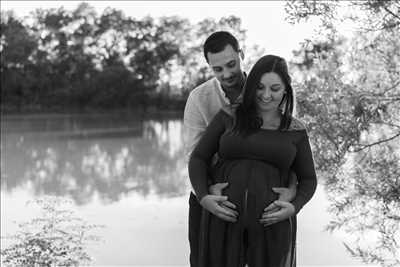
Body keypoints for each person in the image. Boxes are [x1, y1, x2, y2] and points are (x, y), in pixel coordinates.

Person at [188, 54, 317, 266]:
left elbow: (309, 179)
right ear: (251, 87)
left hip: (272, 228)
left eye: (275, 88)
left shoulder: (296, 131)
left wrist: (295, 206)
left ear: (286, 89)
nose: (266, 95)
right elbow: (199, 158)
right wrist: (204, 197)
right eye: (259, 87)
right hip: (222, 224)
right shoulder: (229, 117)